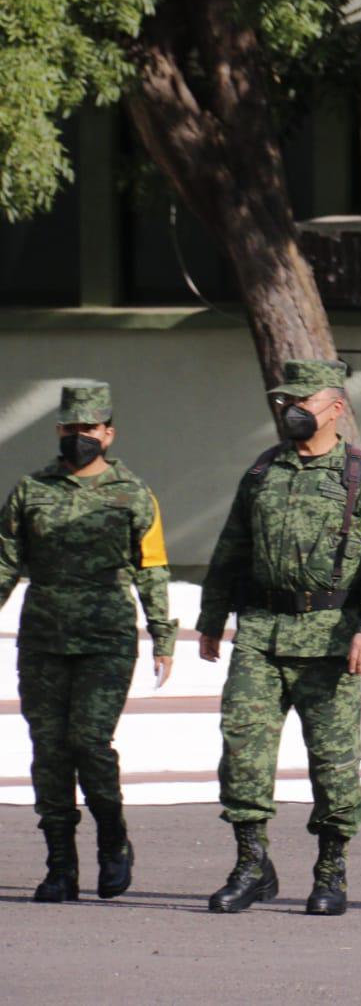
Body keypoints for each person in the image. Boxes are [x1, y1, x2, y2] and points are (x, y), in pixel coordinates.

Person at [196, 359, 361, 917]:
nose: (289, 410)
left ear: (335, 409)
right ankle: (251, 864)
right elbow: (232, 547)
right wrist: (212, 616)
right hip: (261, 635)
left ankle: (330, 871)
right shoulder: (263, 470)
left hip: (331, 640)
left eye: (303, 401)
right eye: (283, 401)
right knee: (242, 749)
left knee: (334, 763)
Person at [0, 382, 176, 902]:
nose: (81, 437)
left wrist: (163, 634)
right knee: (49, 750)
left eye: (90, 429)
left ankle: (112, 841)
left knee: (89, 744)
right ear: (59, 431)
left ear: (109, 433)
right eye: (72, 429)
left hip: (106, 638)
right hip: (44, 638)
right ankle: (60, 866)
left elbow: (153, 568)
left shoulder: (134, 494)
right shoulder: (31, 490)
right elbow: (5, 560)